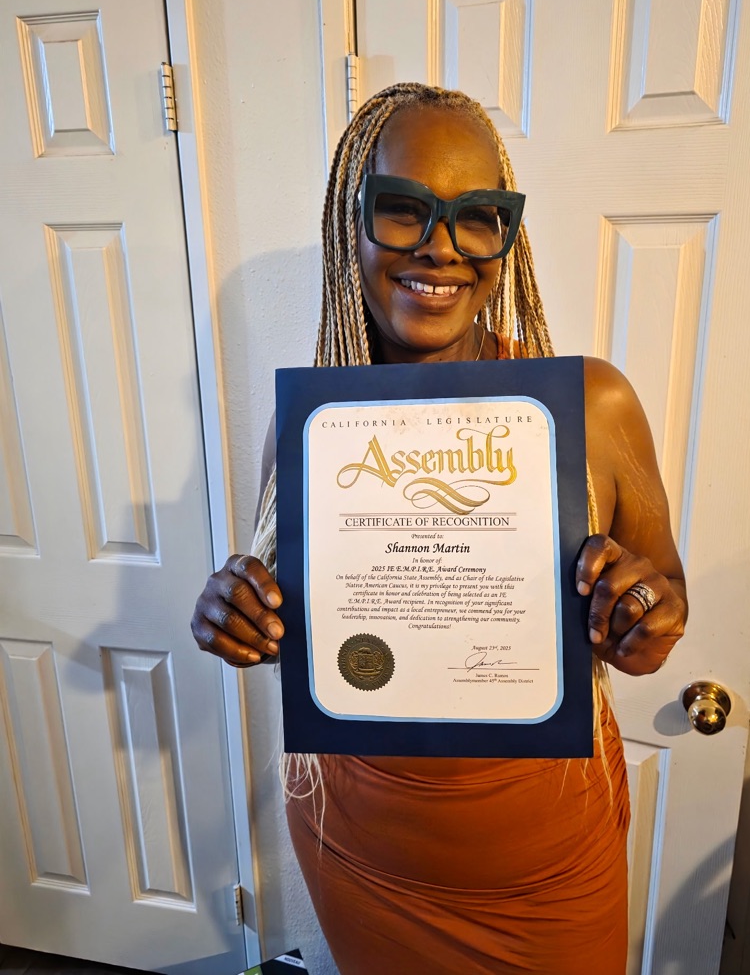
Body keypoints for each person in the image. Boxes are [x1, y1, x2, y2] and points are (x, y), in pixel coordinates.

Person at [191, 83, 688, 975]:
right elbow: (299, 619)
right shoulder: (310, 430)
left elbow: (663, 603)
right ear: (354, 223)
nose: (441, 247)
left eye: (477, 217)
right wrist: (242, 616)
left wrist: (641, 616)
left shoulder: (591, 406)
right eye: (403, 209)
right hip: (362, 855)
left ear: (508, 237)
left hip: (546, 868)